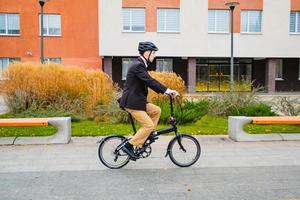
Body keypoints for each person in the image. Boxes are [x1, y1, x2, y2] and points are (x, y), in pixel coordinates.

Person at [119, 41, 179, 160]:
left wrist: (166, 91)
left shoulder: (141, 64)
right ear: (147, 53)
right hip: (132, 102)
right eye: (153, 53)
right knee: (148, 125)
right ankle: (129, 146)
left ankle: (146, 136)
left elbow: (148, 82)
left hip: (137, 101)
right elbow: (150, 81)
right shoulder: (138, 65)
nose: (154, 55)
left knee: (156, 110)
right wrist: (167, 91)